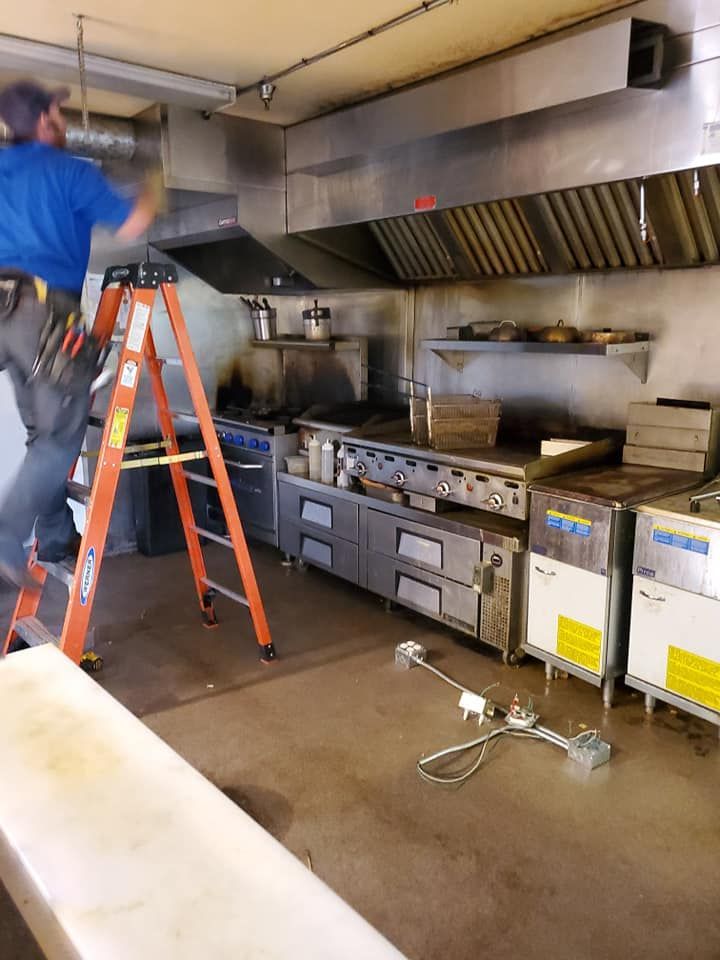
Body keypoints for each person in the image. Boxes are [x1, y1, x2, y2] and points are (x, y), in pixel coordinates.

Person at [0, 80, 159, 588]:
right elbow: (134, 223)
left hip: (3, 312)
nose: (64, 125)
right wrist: (156, 185)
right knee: (62, 437)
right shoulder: (69, 171)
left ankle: (52, 533)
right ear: (46, 120)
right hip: (45, 313)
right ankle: (6, 534)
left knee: (38, 434)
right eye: (59, 116)